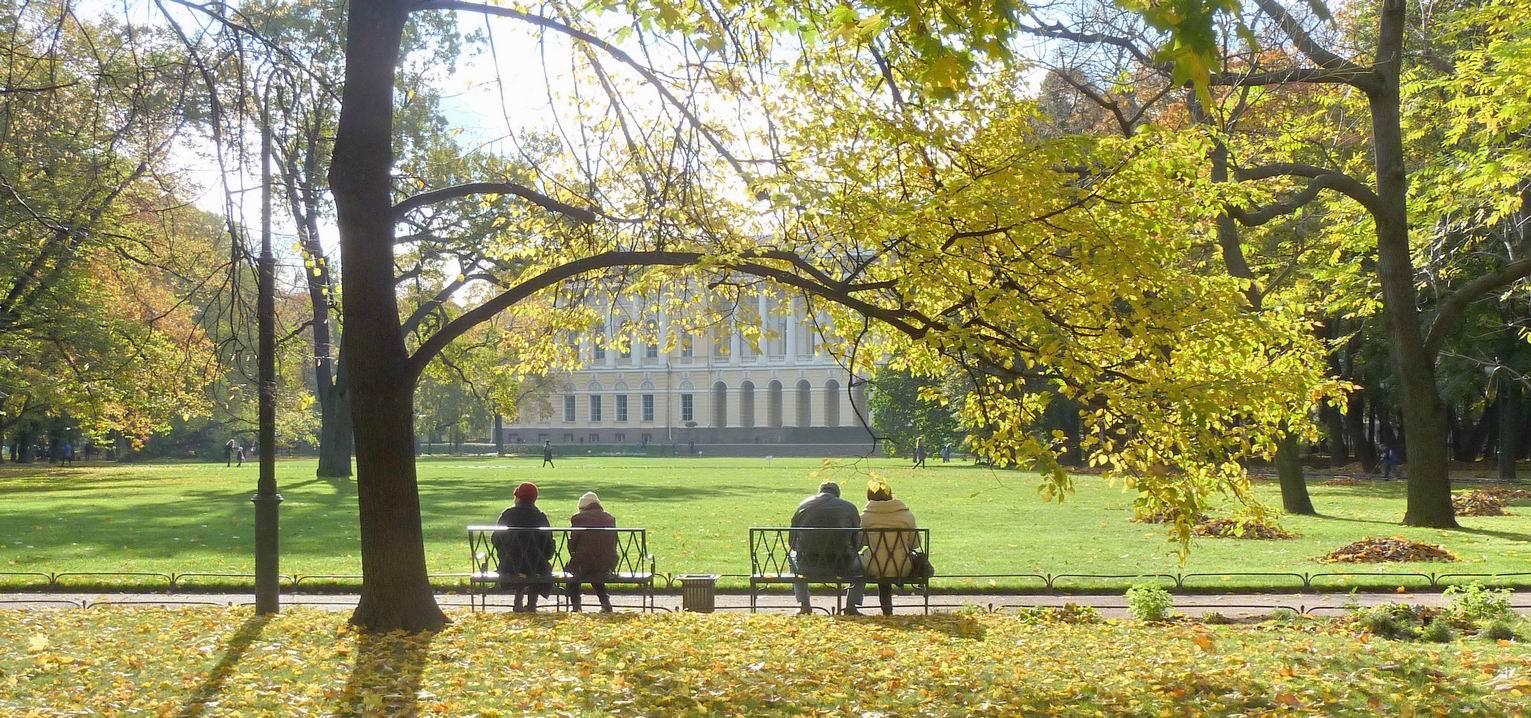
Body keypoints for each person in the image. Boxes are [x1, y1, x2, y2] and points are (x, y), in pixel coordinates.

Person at [789, 481, 864, 615]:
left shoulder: (803, 505)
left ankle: (804, 604)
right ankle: (851, 605)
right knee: (862, 565)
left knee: (791, 557)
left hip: (808, 564)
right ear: (837, 494)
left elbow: (792, 542)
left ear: (820, 492)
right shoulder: (849, 507)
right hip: (843, 564)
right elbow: (857, 542)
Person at [860, 479, 919, 616]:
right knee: (888, 560)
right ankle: (887, 609)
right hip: (903, 565)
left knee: (879, 560)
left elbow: (860, 542)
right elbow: (915, 543)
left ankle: (885, 609)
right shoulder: (906, 515)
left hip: (873, 565)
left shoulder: (865, 517)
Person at [493, 482, 555, 612]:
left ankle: (518, 600)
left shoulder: (508, 515)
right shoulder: (540, 517)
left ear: (518, 498)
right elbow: (548, 546)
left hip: (509, 564)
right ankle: (532, 602)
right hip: (536, 565)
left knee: (520, 562)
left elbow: (496, 539)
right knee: (534, 566)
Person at [566, 491, 617, 612]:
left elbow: (572, 546)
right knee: (594, 567)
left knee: (574, 568)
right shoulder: (610, 518)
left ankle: (576, 605)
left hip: (583, 564)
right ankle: (605, 602)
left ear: (582, 508)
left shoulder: (578, 519)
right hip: (607, 563)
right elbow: (614, 543)